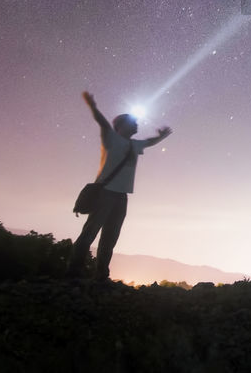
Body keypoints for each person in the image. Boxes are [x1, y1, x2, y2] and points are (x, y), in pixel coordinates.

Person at [67, 90, 172, 280]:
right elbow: (101, 120)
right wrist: (92, 105)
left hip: (121, 196)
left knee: (110, 237)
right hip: (105, 193)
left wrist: (162, 137)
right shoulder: (111, 137)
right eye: (133, 121)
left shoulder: (134, 145)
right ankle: (74, 271)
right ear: (121, 126)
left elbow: (149, 142)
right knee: (90, 232)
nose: (137, 124)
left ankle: (101, 275)